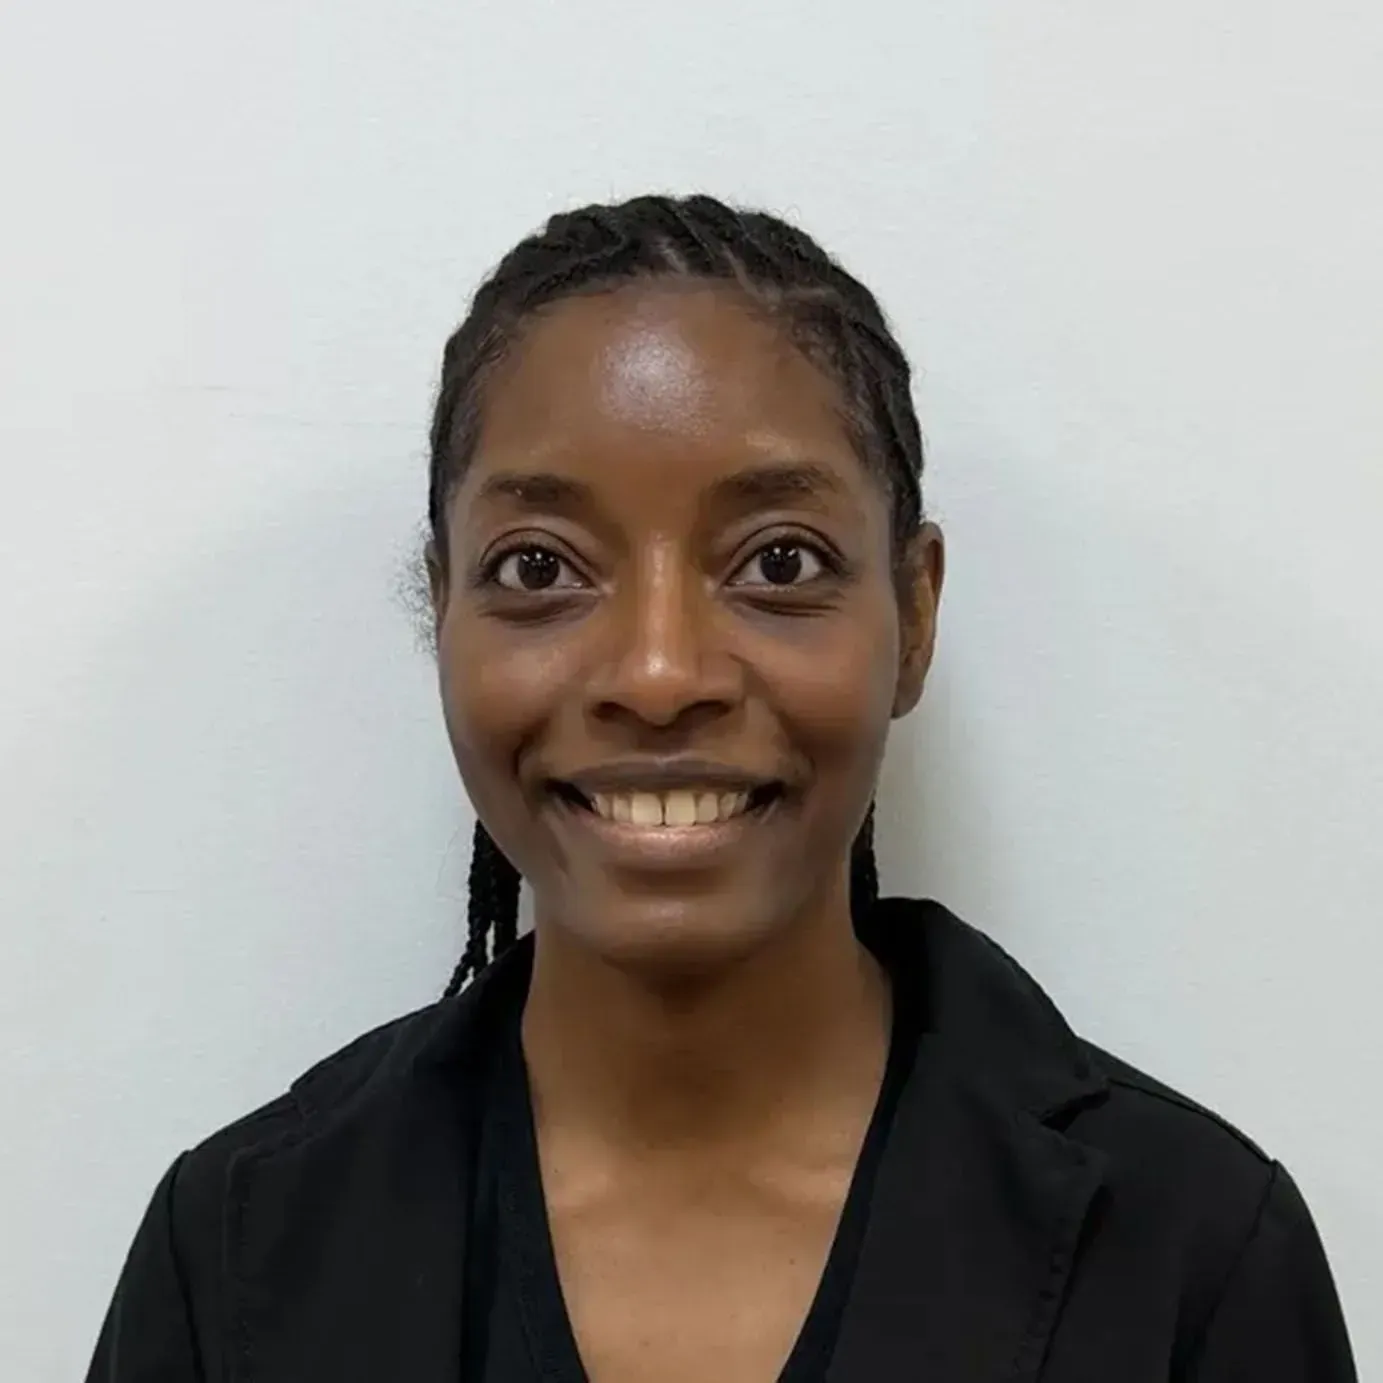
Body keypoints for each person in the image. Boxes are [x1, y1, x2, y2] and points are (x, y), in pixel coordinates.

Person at [87, 194, 1357, 1382]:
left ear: (914, 613)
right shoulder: (238, 1259)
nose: (657, 673)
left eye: (779, 559)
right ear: (443, 607)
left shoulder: (1192, 1256)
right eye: (539, 569)